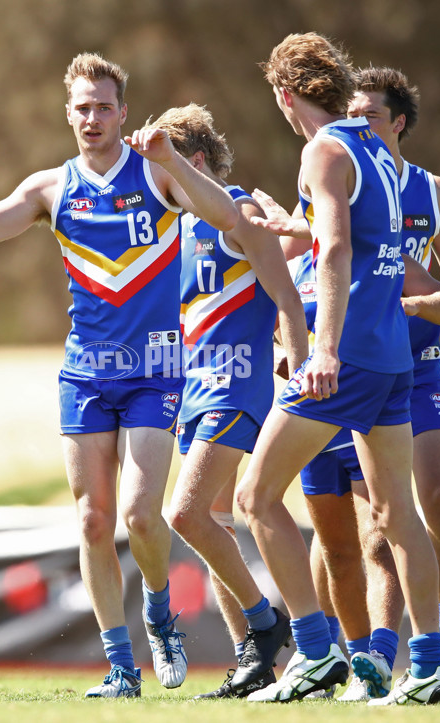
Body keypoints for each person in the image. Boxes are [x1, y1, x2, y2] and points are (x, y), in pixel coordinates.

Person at [0, 52, 238, 699]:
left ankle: (160, 613)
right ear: (68, 113)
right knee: (89, 520)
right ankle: (119, 668)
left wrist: (170, 161)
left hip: (156, 371)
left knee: (139, 512)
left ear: (123, 112)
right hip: (86, 375)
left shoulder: (156, 174)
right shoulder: (52, 187)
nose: (92, 117)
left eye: (104, 106)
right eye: (82, 106)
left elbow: (225, 216)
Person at [235, 32, 440, 705]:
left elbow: (334, 250)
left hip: (350, 356)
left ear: (285, 94)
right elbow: (364, 241)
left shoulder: (324, 148)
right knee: (398, 515)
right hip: (394, 359)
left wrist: (323, 347)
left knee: (254, 497)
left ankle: (314, 651)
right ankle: (430, 666)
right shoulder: (379, 154)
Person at [143, 104, 309, 699]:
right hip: (193, 389)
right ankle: (253, 663)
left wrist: (298, 355)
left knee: (184, 514)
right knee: (211, 522)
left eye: (166, 165)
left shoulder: (239, 212)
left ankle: (270, 624)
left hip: (237, 385)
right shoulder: (175, 226)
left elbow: (289, 289)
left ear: (197, 163)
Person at [286, 247, 440, 703]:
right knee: (334, 550)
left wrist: (421, 307)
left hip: (383, 393)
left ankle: (421, 654)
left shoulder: (388, 249)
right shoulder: (300, 260)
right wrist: (291, 352)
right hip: (315, 411)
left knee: (387, 526)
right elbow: (277, 317)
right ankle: (344, 661)